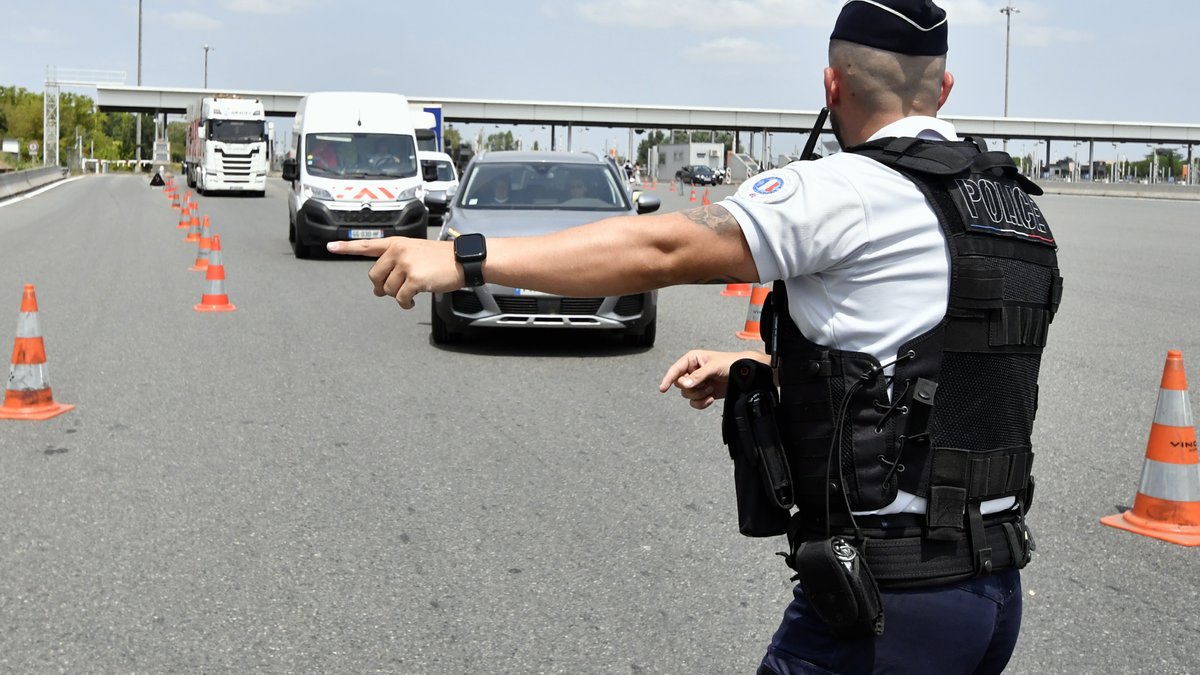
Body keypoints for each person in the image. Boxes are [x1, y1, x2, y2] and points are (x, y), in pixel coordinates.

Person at [327, 1, 1062, 672]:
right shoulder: (1011, 207)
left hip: (884, 602)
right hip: (993, 593)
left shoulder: (850, 188)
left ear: (832, 87)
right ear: (947, 88)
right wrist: (772, 366)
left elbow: (663, 250)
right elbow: (945, 370)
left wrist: (465, 256)